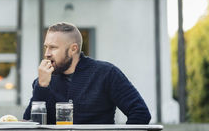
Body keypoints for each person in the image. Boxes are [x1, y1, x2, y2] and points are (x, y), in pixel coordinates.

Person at [23, 22, 151, 124]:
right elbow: (29, 124)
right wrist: (42, 87)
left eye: (53, 47)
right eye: (46, 47)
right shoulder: (43, 80)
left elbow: (140, 113)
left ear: (73, 49)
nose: (47, 53)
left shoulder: (106, 73)